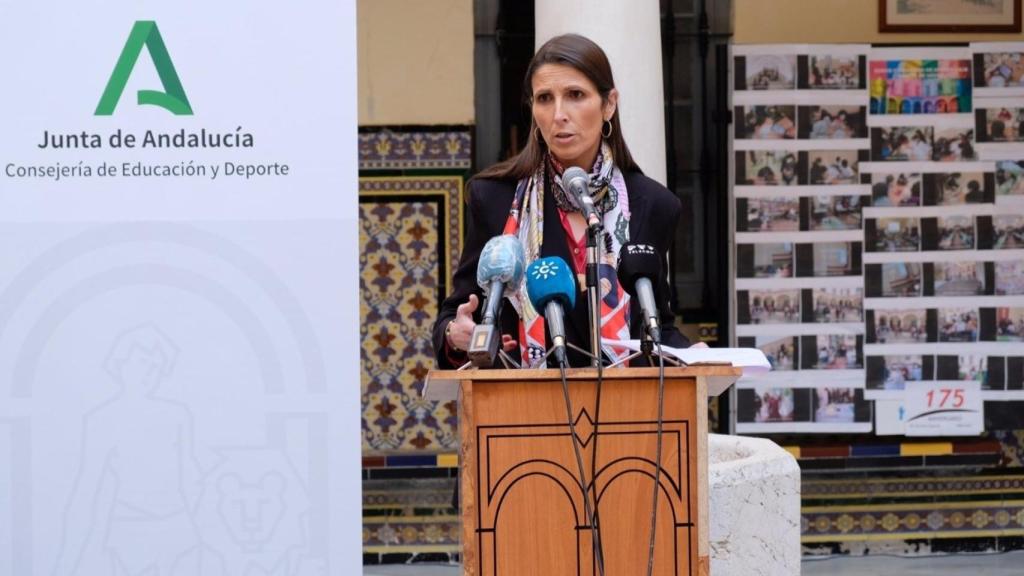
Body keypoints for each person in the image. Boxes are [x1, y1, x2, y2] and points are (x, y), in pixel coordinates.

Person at [432, 34, 691, 369]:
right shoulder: (495, 198)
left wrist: (694, 356)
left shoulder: (654, 204)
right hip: (518, 409)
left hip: (624, 413)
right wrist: (455, 334)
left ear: (608, 104)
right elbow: (455, 315)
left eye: (575, 95)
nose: (558, 114)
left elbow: (656, 324)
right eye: (544, 98)